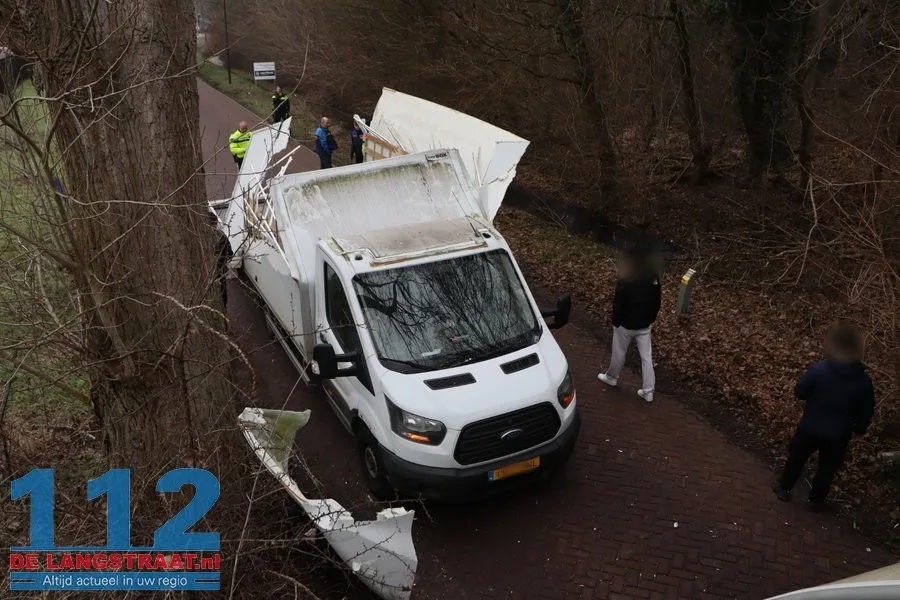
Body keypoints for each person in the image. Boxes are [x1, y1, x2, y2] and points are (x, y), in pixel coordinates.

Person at [773, 322, 875, 511]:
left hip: (811, 426)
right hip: (838, 433)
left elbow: (800, 391)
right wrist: (860, 429)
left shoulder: (819, 369)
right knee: (827, 468)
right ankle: (816, 500)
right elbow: (866, 409)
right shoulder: (863, 381)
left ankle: (784, 488)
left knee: (797, 458)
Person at [596, 246, 662, 402]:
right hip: (644, 325)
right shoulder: (654, 277)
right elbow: (657, 302)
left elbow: (619, 302)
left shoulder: (627, 278)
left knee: (619, 351)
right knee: (646, 357)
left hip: (625, 324)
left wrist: (616, 321)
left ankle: (612, 377)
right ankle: (648, 391)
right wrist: (651, 318)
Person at [209, 211, 234, 309]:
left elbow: (229, 254)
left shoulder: (201, 239)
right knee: (222, 295)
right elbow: (230, 254)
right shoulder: (221, 236)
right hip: (220, 271)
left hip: (213, 272)